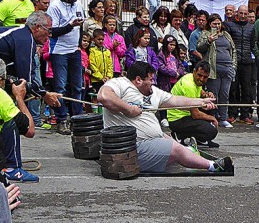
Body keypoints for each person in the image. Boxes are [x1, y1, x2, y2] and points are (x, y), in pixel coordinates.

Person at [97, 61, 232, 173]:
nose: (153, 82)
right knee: (175, 148)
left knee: (166, 137)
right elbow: (103, 96)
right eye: (150, 80)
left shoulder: (153, 92)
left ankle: (188, 152)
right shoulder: (121, 83)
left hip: (149, 140)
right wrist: (129, 109)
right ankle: (213, 166)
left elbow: (176, 101)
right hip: (128, 148)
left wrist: (201, 102)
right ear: (138, 80)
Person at [46, 0, 85, 134]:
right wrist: (70, 26)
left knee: (77, 86)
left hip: (74, 50)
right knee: (60, 86)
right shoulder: (54, 6)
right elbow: (52, 31)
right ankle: (62, 119)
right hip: (59, 51)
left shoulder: (78, 4)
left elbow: (80, 25)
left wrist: (79, 44)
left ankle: (77, 119)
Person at [196, 13, 237, 128]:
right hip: (213, 69)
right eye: (214, 24)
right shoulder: (205, 34)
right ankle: (212, 118)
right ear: (209, 24)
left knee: (225, 94)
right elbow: (199, 47)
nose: (217, 26)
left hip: (227, 68)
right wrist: (208, 41)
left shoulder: (226, 35)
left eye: (219, 23)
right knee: (213, 95)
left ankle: (223, 118)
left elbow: (233, 50)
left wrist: (233, 66)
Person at [167, 61, 220, 147]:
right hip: (177, 119)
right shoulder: (189, 86)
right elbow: (196, 114)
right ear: (194, 72)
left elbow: (201, 92)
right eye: (199, 75)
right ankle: (180, 135)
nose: (202, 79)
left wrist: (207, 94)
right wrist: (212, 119)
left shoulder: (192, 78)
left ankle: (199, 138)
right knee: (211, 131)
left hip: (186, 114)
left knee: (212, 105)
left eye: (205, 77)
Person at [225, 6, 255, 124]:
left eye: (245, 14)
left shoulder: (251, 28)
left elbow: (253, 43)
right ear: (237, 13)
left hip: (247, 61)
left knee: (247, 89)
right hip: (234, 61)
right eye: (241, 13)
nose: (243, 16)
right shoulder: (231, 26)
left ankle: (245, 114)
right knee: (233, 88)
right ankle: (232, 113)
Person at [88, 29, 114, 98]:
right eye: (98, 39)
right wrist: (100, 77)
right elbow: (92, 65)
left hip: (106, 80)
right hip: (96, 80)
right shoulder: (92, 51)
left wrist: (108, 76)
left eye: (102, 39)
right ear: (94, 39)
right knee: (95, 98)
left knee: (105, 97)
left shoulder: (107, 51)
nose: (101, 41)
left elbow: (110, 65)